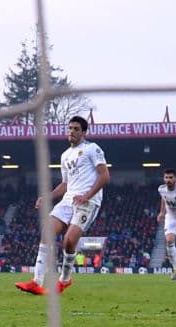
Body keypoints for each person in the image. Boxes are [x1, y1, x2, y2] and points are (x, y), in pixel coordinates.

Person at [16, 116, 110, 295]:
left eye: (76, 129)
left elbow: (104, 176)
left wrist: (86, 196)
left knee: (69, 241)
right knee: (47, 231)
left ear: (83, 132)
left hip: (88, 201)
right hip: (68, 199)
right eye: (70, 128)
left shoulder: (92, 149)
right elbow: (65, 184)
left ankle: (65, 279)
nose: (72, 132)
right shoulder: (65, 155)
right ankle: (36, 281)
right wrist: (48, 197)